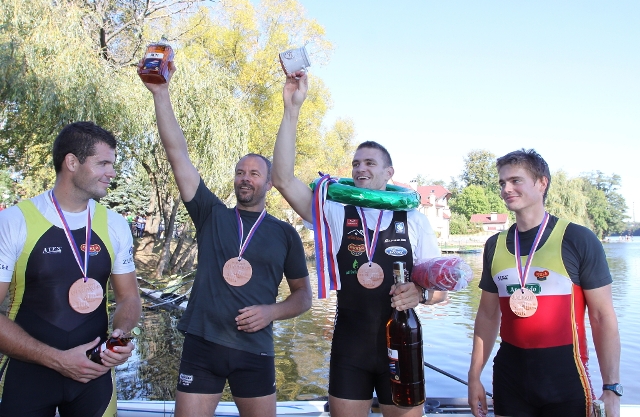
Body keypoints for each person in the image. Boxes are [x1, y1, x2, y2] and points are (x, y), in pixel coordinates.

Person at [140, 62, 312, 417]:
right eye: (239, 172)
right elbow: (178, 155)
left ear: (269, 183)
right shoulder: (211, 214)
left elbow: (303, 297)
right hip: (202, 345)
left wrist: (271, 312)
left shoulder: (284, 234)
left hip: (255, 349)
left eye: (254, 173)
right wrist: (161, 93)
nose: (245, 178)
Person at [272, 71, 446, 417]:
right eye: (355, 163)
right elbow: (282, 179)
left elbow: (441, 291)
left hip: (401, 343)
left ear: (389, 173)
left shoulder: (414, 220)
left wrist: (421, 294)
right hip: (350, 348)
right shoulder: (336, 212)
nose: (360, 168)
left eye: (369, 163)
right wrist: (292, 109)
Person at [0, 122, 141, 417]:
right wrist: (57, 360)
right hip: (27, 376)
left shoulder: (115, 224)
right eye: (103, 163)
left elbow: (129, 298)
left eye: (112, 164)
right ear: (72, 162)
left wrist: (121, 336)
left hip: (94, 375)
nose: (112, 173)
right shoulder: (14, 222)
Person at [467, 149, 621, 417]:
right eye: (502, 182)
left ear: (541, 183)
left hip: (566, 380)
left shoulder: (577, 239)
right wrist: (474, 377)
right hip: (510, 380)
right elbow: (488, 316)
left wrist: (611, 387)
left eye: (515, 180)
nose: (506, 189)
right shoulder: (494, 245)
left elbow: (601, 316)